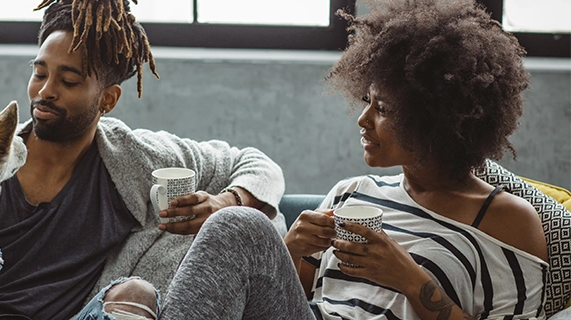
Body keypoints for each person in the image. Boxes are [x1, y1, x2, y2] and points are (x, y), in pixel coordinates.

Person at [156, 0, 549, 319]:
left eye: (384, 109)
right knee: (237, 225)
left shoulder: (509, 223)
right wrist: (289, 248)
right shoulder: (351, 194)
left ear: (434, 121)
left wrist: (408, 277)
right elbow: (291, 300)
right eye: (367, 102)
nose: (363, 120)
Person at [0, 0, 285, 319]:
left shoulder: (135, 159)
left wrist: (225, 202)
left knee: (136, 294)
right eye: (39, 73)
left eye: (69, 81)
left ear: (108, 100)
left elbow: (256, 164)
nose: (45, 92)